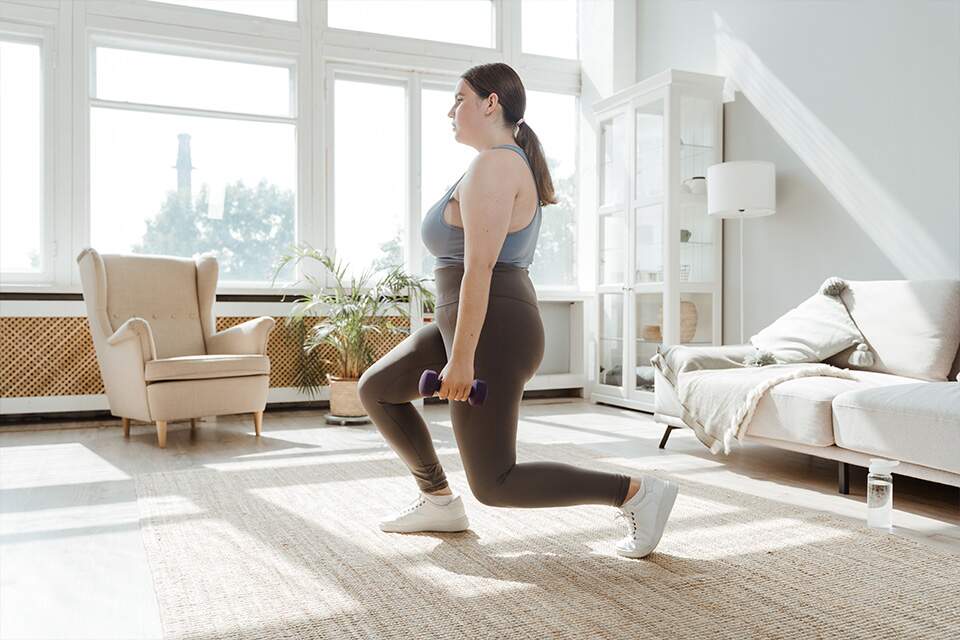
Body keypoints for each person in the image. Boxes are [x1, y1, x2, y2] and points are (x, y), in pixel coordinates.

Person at [357, 62, 678, 559]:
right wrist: (445, 330)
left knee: (495, 482)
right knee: (378, 388)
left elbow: (479, 270)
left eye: (459, 98)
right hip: (468, 323)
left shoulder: (497, 165)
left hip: (495, 329)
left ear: (491, 103)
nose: (450, 109)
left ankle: (635, 493)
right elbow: (462, 269)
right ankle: (438, 499)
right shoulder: (488, 163)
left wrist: (461, 359)